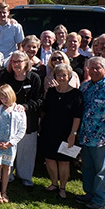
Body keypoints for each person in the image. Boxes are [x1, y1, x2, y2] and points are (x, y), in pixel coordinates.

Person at [75, 56, 105, 209]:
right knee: (87, 167)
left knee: (101, 170)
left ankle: (99, 200)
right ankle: (89, 194)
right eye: (92, 68)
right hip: (85, 135)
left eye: (98, 68)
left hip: (102, 138)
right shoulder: (85, 87)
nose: (94, 71)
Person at [0, 51, 43, 187]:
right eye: (13, 61)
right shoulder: (5, 76)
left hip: (28, 120)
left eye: (19, 61)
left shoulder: (34, 78)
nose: (16, 64)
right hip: (7, 120)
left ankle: (25, 176)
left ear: (26, 62)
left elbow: (39, 99)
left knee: (26, 149)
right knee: (8, 146)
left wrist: (25, 107)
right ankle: (8, 174)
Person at [38, 63, 83, 199]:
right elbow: (45, 110)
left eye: (64, 75)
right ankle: (53, 183)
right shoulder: (51, 91)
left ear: (69, 76)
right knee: (49, 158)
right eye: (59, 75)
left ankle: (62, 187)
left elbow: (77, 116)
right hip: (49, 130)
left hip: (66, 132)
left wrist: (73, 134)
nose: (62, 77)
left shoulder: (76, 94)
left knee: (64, 161)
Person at [0, 84, 26, 204]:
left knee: (7, 167)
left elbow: (22, 129)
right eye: (2, 98)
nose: (4, 100)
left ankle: (4, 191)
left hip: (10, 145)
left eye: (6, 97)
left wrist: (11, 143)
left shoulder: (19, 110)